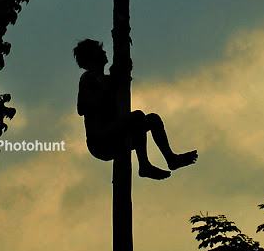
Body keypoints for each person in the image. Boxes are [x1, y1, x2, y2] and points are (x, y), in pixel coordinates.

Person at [74, 39, 197, 180]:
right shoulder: (89, 78)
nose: (104, 52)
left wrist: (122, 75)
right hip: (100, 141)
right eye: (99, 51)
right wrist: (109, 85)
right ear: (91, 57)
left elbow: (117, 87)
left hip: (114, 134)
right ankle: (144, 165)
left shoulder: (107, 80)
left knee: (153, 119)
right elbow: (82, 108)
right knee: (138, 116)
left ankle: (171, 159)